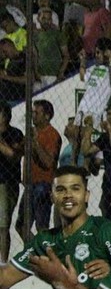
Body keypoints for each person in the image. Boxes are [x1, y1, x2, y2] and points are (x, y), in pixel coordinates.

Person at [18, 100, 62, 245]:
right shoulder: (31, 133)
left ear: (47, 116)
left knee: (41, 226)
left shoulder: (52, 134)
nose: (33, 116)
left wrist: (35, 143)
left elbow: (48, 162)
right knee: (21, 225)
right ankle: (34, 249)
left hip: (43, 184)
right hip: (30, 184)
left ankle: (42, 253)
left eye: (37, 113)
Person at [75, 38, 111, 132]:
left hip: (96, 112)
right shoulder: (94, 68)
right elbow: (83, 77)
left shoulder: (109, 70)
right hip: (82, 109)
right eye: (95, 52)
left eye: (98, 52)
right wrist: (83, 60)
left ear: (106, 53)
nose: (96, 55)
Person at [0, 101, 24, 262]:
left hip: (6, 182)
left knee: (2, 225)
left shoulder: (15, 134)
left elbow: (12, 156)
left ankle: (2, 262)